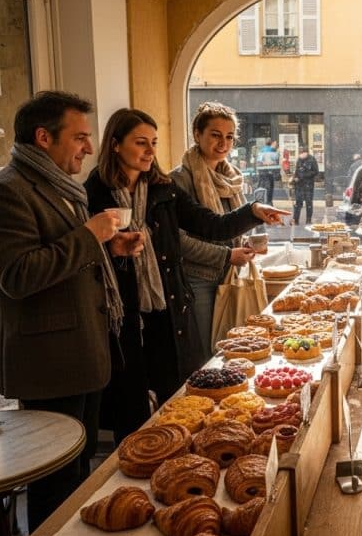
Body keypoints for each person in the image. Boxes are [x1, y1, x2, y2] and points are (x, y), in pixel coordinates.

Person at [0, 91, 145, 531]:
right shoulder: (3, 194)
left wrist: (109, 246)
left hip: (84, 350)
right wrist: (90, 237)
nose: (89, 147)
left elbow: (66, 257)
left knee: (78, 471)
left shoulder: (59, 187)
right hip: (49, 362)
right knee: (54, 481)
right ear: (44, 137)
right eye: (80, 137)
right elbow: (18, 274)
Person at [86, 109, 286, 443]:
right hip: (122, 316)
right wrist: (111, 247)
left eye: (153, 143)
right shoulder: (93, 194)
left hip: (166, 307)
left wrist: (251, 212)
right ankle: (136, 463)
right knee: (131, 410)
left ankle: (176, 454)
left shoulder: (161, 188)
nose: (150, 151)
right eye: (141, 143)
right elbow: (85, 256)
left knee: (175, 397)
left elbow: (210, 224)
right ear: (115, 145)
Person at [170, 102, 258, 354]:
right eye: (215, 135)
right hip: (197, 278)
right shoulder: (179, 179)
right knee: (206, 352)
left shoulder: (231, 177)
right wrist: (227, 255)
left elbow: (231, 227)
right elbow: (178, 241)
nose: (224, 143)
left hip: (229, 274)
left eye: (229, 137)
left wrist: (244, 245)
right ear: (197, 134)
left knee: (232, 348)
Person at [292, 147, 319, 225]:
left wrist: (305, 175)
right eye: (300, 153)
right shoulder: (299, 160)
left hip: (308, 184)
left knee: (309, 202)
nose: (300, 155)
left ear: (306, 153)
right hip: (299, 185)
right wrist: (295, 178)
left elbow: (316, 171)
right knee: (298, 202)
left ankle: (308, 219)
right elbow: (296, 171)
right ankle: (296, 220)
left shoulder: (312, 160)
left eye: (302, 153)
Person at [256, 139, 279, 204]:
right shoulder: (274, 152)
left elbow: (258, 163)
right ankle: (269, 203)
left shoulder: (261, 151)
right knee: (269, 190)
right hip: (270, 173)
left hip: (262, 173)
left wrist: (263, 163)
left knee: (261, 188)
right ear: (271, 144)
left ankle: (261, 202)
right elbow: (276, 162)